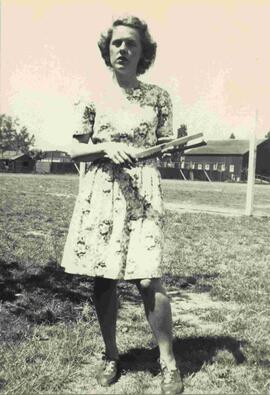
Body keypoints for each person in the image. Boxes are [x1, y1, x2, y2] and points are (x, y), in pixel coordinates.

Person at [61, 16, 183, 395]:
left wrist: (173, 147)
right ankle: (112, 355)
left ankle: (168, 362)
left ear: (143, 52)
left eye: (131, 44)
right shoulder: (91, 96)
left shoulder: (159, 97)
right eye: (117, 43)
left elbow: (165, 147)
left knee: (148, 277)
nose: (123, 49)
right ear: (107, 49)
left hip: (144, 191)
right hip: (101, 190)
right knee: (105, 277)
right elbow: (74, 148)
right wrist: (105, 147)